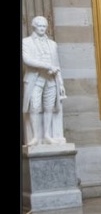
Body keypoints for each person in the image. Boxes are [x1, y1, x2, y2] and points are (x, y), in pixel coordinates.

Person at [22, 15, 66, 146]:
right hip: (35, 80)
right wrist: (47, 66)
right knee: (34, 107)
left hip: (51, 80)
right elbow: (27, 60)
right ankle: (36, 137)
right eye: (40, 26)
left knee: (49, 108)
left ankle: (47, 135)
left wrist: (61, 83)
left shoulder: (52, 44)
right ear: (34, 26)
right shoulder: (26, 42)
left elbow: (57, 64)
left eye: (44, 26)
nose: (42, 28)